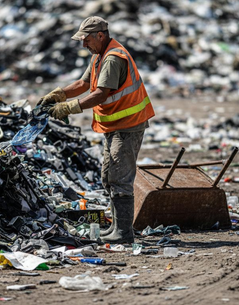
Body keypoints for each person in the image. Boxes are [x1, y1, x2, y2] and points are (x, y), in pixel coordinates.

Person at [37, 16, 155, 244]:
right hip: (115, 125)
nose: (83, 45)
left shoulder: (112, 58)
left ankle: (124, 234)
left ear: (100, 35)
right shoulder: (99, 55)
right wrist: (57, 94)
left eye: (86, 39)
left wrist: (69, 107)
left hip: (128, 125)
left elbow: (101, 93)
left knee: (120, 177)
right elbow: (83, 84)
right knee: (108, 176)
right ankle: (117, 229)